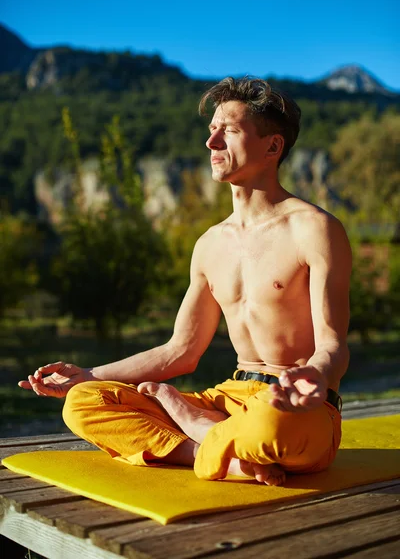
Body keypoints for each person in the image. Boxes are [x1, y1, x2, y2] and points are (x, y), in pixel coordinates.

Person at [19, 77, 351, 486]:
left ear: (272, 147)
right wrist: (88, 373)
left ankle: (199, 430)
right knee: (84, 403)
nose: (211, 144)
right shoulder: (210, 244)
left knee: (272, 430)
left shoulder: (315, 229)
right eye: (211, 131)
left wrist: (315, 375)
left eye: (227, 131)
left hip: (292, 407)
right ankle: (212, 450)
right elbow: (181, 351)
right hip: (229, 398)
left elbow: (333, 345)